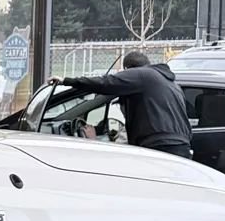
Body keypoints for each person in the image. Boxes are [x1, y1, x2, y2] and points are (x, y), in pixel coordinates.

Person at [50, 51, 193, 157]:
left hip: (160, 146)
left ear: (128, 70)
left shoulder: (141, 75)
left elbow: (106, 83)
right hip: (180, 147)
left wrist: (67, 81)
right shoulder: (169, 83)